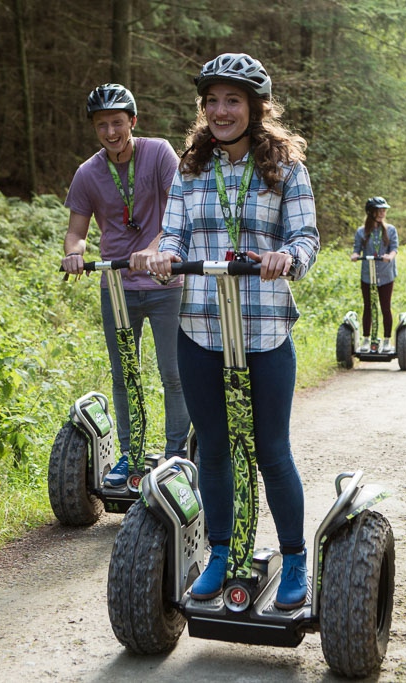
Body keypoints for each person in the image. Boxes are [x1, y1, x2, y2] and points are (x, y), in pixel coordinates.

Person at [136, 53, 320, 610]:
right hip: (201, 327)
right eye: (212, 101)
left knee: (271, 449)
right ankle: (219, 554)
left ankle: (293, 560)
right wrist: (164, 257)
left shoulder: (286, 169)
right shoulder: (189, 169)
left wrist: (286, 257)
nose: (220, 111)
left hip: (264, 328)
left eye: (232, 100)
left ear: (256, 108)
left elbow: (307, 239)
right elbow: (173, 234)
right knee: (211, 448)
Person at [61, 83, 191, 487]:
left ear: (132, 121)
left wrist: (155, 249)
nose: (111, 132)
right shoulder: (88, 172)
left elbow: (176, 213)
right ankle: (130, 456)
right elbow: (76, 232)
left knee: (173, 373)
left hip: (166, 282)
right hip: (117, 286)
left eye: (118, 122)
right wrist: (75, 253)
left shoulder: (158, 153)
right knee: (125, 375)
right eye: (102, 125)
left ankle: (176, 455)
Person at [350, 196, 399, 353]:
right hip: (367, 275)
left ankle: (386, 340)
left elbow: (394, 248)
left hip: (386, 275)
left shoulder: (390, 230)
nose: (383, 212)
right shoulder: (361, 231)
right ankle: (366, 340)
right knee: (368, 307)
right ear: (371, 212)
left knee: (385, 307)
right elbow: (357, 248)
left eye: (384, 210)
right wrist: (355, 255)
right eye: (379, 210)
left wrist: (390, 257)